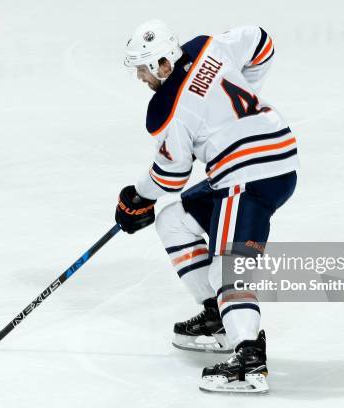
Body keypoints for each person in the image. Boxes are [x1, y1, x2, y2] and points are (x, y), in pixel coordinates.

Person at [115, 20, 299, 393]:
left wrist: (137, 197)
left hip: (248, 176)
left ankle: (249, 360)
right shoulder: (207, 47)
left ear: (163, 64)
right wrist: (236, 108)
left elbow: (170, 175)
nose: (139, 77)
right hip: (271, 157)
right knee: (173, 221)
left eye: (142, 68)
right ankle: (219, 318)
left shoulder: (173, 107)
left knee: (227, 271)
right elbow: (261, 42)